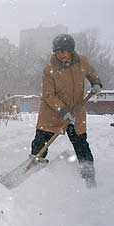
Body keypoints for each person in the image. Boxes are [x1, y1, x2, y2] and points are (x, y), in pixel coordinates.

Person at [30, 33, 102, 188]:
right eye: (57, 51)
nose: (60, 54)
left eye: (63, 51)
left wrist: (96, 83)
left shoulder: (81, 62)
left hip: (76, 113)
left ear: (71, 50)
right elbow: (48, 95)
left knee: (82, 146)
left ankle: (89, 179)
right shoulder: (49, 69)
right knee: (40, 144)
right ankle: (32, 173)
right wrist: (63, 111)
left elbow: (93, 74)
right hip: (52, 113)